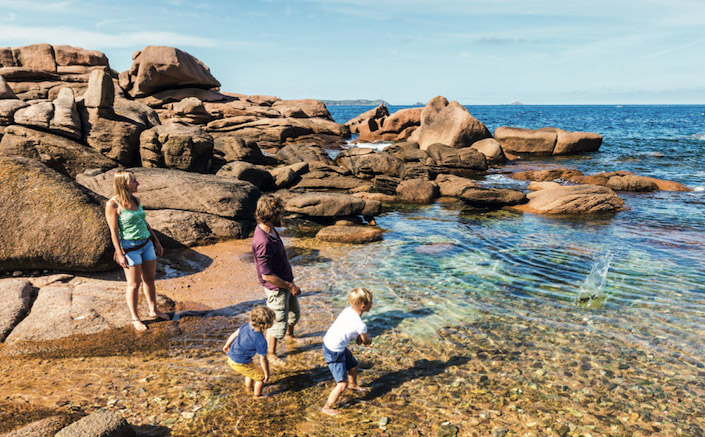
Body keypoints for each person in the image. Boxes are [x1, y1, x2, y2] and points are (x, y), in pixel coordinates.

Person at [105, 170, 169, 331]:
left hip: (146, 244)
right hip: (130, 248)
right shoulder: (112, 204)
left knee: (150, 280)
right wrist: (119, 253)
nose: (138, 183)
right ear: (124, 184)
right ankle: (135, 318)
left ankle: (153, 309)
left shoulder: (136, 199)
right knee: (134, 284)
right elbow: (114, 231)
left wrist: (156, 241)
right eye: (134, 181)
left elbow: (144, 222)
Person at [251, 195, 301, 366]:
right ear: (271, 214)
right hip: (277, 287)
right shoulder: (263, 241)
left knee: (294, 314)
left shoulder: (270, 230)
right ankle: (271, 353)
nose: (282, 216)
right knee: (277, 321)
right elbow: (266, 275)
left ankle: (290, 336)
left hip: (286, 282)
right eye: (279, 214)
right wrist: (289, 286)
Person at [321, 287, 373, 416]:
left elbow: (347, 331)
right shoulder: (361, 325)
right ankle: (327, 407)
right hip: (335, 351)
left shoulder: (347, 311)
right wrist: (367, 338)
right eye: (371, 302)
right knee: (341, 384)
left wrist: (358, 337)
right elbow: (366, 342)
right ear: (363, 306)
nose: (372, 304)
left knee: (354, 366)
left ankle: (353, 385)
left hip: (330, 343)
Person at [222, 306, 275, 399]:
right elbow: (263, 359)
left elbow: (234, 334)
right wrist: (266, 374)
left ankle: (248, 389)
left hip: (231, 357)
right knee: (260, 378)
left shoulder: (246, 325)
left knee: (250, 372)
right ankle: (257, 396)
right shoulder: (261, 340)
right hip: (240, 362)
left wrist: (227, 345)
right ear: (267, 325)